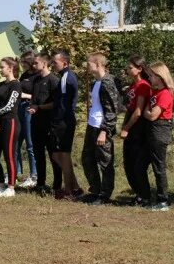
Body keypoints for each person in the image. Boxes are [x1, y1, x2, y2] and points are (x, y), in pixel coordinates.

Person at [134, 61, 174, 212]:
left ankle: (163, 200)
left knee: (158, 167)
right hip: (150, 132)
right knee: (140, 165)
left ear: (160, 76)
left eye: (152, 75)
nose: (150, 78)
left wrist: (146, 110)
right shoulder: (155, 92)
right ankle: (145, 196)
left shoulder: (165, 94)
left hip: (159, 131)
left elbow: (152, 115)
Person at [81, 53, 122, 205]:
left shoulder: (107, 82)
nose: (87, 67)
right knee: (87, 159)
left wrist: (105, 130)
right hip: (92, 125)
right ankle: (95, 191)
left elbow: (112, 110)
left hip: (101, 128)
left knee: (105, 162)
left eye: (89, 64)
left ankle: (105, 195)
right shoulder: (96, 82)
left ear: (98, 64)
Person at [0, 57, 22, 197]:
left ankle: (11, 187)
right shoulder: (1, 84)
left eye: (2, 67)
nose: (0, 69)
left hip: (10, 122)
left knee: (9, 155)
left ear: (10, 68)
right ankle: (1, 184)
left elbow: (10, 105)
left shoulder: (16, 85)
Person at [119, 55, 153, 204]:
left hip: (138, 128)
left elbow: (138, 111)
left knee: (136, 163)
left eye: (130, 67)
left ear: (139, 69)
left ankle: (144, 195)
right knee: (128, 162)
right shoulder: (133, 85)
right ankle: (138, 193)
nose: (128, 69)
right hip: (131, 123)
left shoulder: (143, 85)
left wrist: (126, 128)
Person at [49, 51, 83, 200]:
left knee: (64, 155)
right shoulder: (63, 77)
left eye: (55, 62)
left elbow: (64, 103)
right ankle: (75, 187)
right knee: (57, 155)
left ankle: (69, 190)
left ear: (65, 62)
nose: (53, 65)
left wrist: (58, 120)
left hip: (64, 121)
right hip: (60, 120)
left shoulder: (67, 78)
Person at [27, 53, 61, 195]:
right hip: (35, 123)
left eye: (36, 63)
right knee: (38, 154)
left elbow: (56, 103)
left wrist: (39, 108)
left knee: (53, 155)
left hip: (49, 124)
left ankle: (57, 186)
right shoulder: (36, 80)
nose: (33, 66)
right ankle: (40, 184)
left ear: (45, 64)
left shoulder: (54, 80)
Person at [15, 51, 39, 187]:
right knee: (17, 142)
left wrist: (24, 95)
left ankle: (34, 175)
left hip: (30, 109)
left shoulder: (37, 77)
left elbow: (37, 96)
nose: (22, 65)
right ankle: (17, 172)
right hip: (20, 108)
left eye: (24, 62)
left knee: (30, 144)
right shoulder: (24, 75)